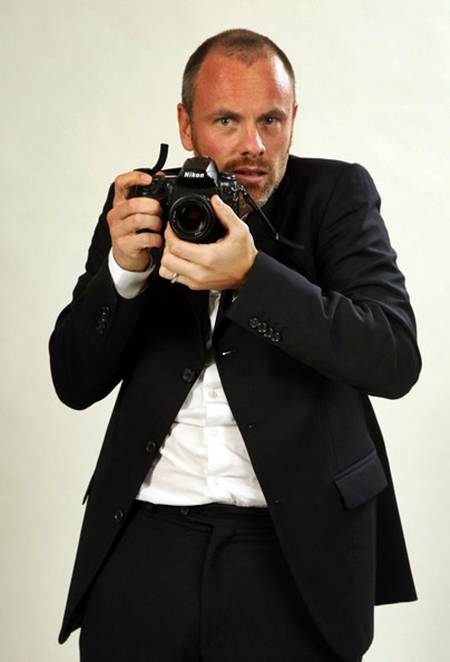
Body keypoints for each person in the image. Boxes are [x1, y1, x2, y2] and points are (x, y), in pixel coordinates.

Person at [50, 28, 421, 662]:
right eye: (226, 120)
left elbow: (393, 356)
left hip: (293, 547)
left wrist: (254, 280)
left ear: (294, 118)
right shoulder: (143, 203)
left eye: (271, 120)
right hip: (143, 540)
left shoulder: (335, 196)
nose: (254, 145)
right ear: (185, 125)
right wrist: (122, 273)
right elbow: (74, 382)